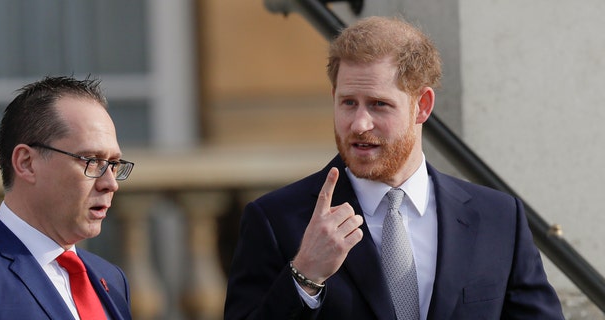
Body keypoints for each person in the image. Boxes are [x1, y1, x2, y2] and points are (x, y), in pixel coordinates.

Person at [224, 16, 564, 319]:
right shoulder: (277, 220)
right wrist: (304, 276)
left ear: (423, 106)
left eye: (379, 105)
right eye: (348, 103)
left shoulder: (499, 218)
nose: (358, 124)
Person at [0, 76, 134, 320]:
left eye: (114, 164)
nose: (111, 184)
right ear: (27, 163)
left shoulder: (111, 279)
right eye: (91, 161)